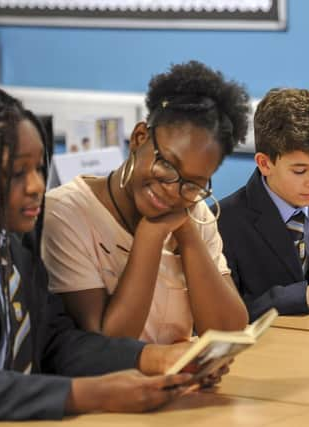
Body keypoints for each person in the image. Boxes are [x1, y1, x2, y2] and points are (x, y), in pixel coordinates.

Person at [0, 83, 197, 421]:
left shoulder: (13, 232)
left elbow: (52, 341)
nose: (37, 187)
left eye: (39, 169)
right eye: (16, 174)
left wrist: (152, 358)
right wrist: (90, 394)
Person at [42, 61, 249, 342]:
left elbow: (230, 331)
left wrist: (187, 236)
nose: (173, 190)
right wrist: (150, 236)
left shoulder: (194, 214)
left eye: (193, 183)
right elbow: (106, 345)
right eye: (166, 164)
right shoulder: (66, 213)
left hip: (180, 383)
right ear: (139, 138)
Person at [216, 88, 309, 321]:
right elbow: (223, 314)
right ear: (265, 164)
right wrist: (301, 297)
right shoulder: (224, 220)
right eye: (300, 170)